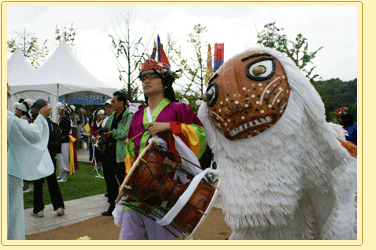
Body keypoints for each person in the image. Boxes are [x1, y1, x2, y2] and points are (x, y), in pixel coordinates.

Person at [116, 57, 206, 240]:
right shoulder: (138, 115)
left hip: (166, 189)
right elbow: (131, 153)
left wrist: (171, 126)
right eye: (143, 78)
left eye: (151, 76)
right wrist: (128, 179)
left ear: (165, 83)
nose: (146, 81)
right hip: (138, 188)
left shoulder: (178, 109)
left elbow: (200, 135)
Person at [7, 97, 54, 240]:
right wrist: (41, 118)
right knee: (10, 216)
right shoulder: (6, 118)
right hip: (7, 174)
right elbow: (32, 135)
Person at [29, 99, 65, 217]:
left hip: (39, 157)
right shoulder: (53, 125)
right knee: (52, 182)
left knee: (38, 183)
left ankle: (38, 209)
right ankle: (59, 206)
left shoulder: (37, 124)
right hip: (50, 157)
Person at [101, 91, 133, 216]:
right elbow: (107, 129)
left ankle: (125, 206)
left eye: (114, 101)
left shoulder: (128, 116)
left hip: (120, 153)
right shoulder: (112, 116)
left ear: (121, 103)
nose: (112, 103)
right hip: (108, 151)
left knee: (122, 180)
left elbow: (125, 132)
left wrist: (112, 133)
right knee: (109, 179)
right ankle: (112, 205)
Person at [56, 102, 72, 182]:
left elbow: (65, 131)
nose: (58, 111)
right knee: (60, 158)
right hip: (61, 140)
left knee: (64, 158)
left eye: (59, 109)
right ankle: (61, 174)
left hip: (64, 141)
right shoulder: (61, 118)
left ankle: (65, 176)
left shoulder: (65, 119)